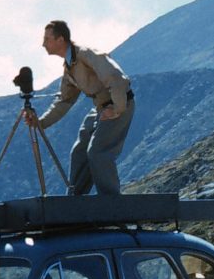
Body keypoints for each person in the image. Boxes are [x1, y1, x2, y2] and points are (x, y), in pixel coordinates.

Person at [26, 20, 134, 195]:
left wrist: (117, 108)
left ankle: (112, 204)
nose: (43, 44)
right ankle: (76, 201)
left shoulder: (86, 54)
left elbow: (116, 78)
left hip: (118, 105)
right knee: (79, 152)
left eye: (47, 39)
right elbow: (65, 101)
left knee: (98, 152)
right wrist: (41, 123)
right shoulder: (70, 67)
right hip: (100, 108)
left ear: (60, 39)